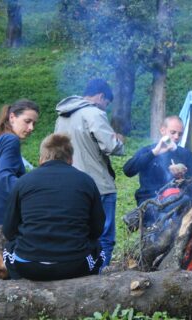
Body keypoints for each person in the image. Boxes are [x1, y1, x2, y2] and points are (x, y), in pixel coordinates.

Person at [3, 133, 106, 281]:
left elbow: (9, 230)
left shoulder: (22, 182)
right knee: (99, 250)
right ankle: (86, 285)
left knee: (8, 249)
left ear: (41, 159)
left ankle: (22, 287)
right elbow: (97, 229)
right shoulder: (86, 181)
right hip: (75, 265)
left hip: (30, 266)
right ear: (70, 159)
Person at [54, 78, 125, 267]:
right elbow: (112, 146)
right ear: (101, 97)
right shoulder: (93, 113)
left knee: (79, 232)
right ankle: (100, 278)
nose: (106, 108)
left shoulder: (62, 116)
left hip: (70, 185)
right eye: (107, 104)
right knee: (104, 235)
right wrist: (119, 141)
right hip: (98, 185)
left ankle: (80, 274)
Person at [0, 99, 39, 233]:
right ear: (12, 117)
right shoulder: (11, 140)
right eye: (27, 121)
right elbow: (5, 176)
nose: (31, 128)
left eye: (34, 124)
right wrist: (32, 194)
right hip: (2, 219)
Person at [123, 116, 192, 205]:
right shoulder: (148, 151)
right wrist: (154, 152)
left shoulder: (185, 154)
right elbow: (128, 171)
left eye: (180, 134)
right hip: (150, 199)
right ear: (162, 130)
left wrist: (183, 176)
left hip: (180, 198)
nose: (176, 137)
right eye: (173, 132)